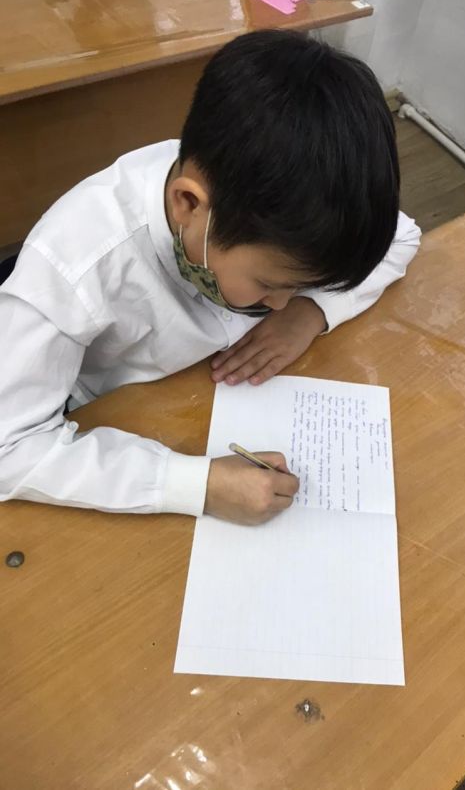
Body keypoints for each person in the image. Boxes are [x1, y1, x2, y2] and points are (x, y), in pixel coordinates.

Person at [0, 30, 421, 525]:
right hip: (115, 412)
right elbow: (10, 448)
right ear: (188, 204)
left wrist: (312, 312)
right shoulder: (75, 264)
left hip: (204, 393)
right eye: (270, 284)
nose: (280, 304)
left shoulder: (275, 216)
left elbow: (404, 236)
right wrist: (196, 485)